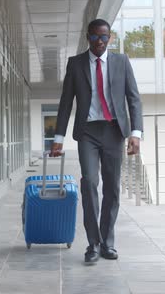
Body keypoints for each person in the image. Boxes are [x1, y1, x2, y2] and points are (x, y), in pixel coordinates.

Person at [50, 18, 143, 264]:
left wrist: (136, 133)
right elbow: (66, 102)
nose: (99, 42)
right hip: (88, 132)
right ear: (87, 38)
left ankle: (107, 243)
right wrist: (58, 137)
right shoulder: (76, 64)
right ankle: (92, 243)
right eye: (94, 37)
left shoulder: (121, 62)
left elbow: (133, 98)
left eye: (104, 37)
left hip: (114, 131)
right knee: (90, 183)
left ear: (109, 38)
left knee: (112, 187)